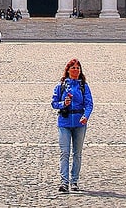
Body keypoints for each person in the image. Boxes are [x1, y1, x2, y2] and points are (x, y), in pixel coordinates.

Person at [52, 58, 93, 193]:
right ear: (68, 70)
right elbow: (54, 103)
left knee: (77, 154)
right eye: (73, 68)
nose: (76, 70)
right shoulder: (61, 86)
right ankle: (64, 182)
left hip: (79, 124)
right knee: (64, 153)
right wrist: (64, 103)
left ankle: (74, 181)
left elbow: (89, 104)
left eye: (78, 68)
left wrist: (85, 116)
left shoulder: (83, 86)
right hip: (64, 122)